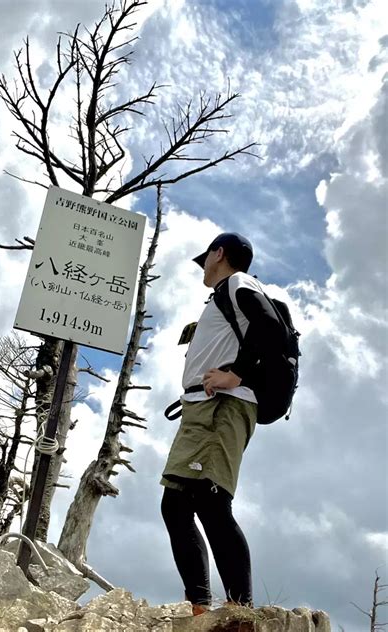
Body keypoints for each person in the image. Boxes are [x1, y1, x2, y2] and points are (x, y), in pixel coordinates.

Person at [160, 232, 283, 616]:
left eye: (206, 258)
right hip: (202, 408)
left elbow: (271, 329)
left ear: (219, 253)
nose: (204, 267)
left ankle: (237, 611)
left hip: (223, 406)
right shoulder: (222, 296)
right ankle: (201, 609)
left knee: (211, 501)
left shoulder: (238, 283)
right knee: (175, 505)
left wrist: (237, 375)